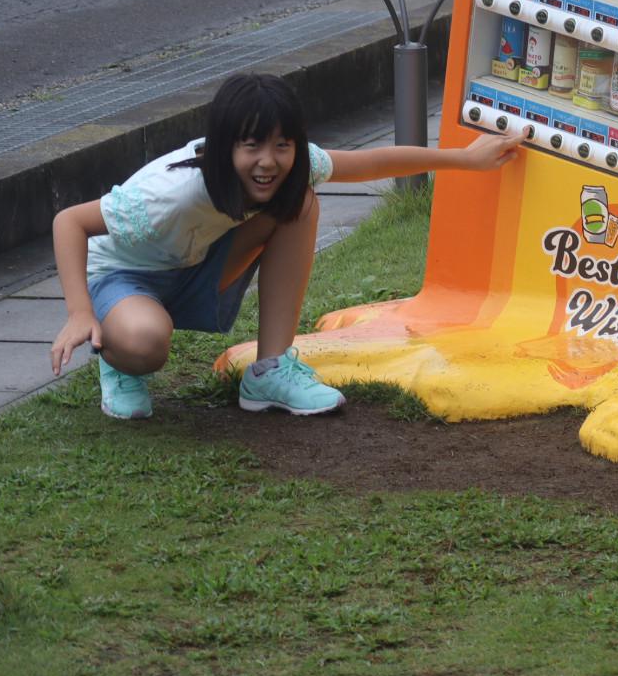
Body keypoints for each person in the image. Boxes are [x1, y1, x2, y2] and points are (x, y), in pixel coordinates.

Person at [49, 72, 523, 420]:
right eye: (251, 146)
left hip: (195, 264)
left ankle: (269, 371)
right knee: (145, 341)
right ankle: (119, 364)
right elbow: (69, 222)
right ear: (224, 147)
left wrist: (464, 159)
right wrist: (79, 312)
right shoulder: (168, 193)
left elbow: (371, 162)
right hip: (126, 278)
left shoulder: (292, 168)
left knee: (300, 202)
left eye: (282, 145)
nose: (268, 161)